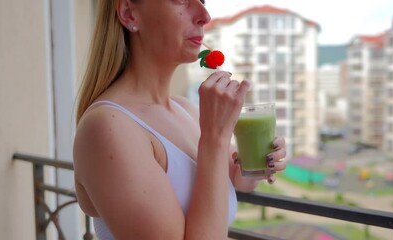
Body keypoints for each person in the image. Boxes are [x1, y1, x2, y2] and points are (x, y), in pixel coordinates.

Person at [73, 0, 286, 239]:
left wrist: (254, 164)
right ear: (129, 13)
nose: (204, 15)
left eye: (203, 1)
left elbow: (229, 181)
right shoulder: (107, 127)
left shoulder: (184, 109)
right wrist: (215, 137)